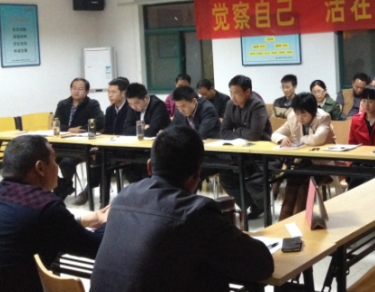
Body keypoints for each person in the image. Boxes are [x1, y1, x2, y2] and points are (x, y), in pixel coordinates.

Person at [89, 126, 273, 292]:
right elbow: (262, 264)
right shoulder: (195, 213)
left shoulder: (123, 197)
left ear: (150, 167)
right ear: (198, 172)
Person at [0, 135, 108, 292]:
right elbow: (96, 248)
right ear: (40, 168)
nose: (57, 166)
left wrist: (81, 220)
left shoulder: (8, 195)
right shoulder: (45, 205)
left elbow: (35, 226)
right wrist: (108, 222)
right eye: (54, 160)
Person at [271, 92, 335, 220]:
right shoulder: (292, 117)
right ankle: (283, 222)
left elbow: (317, 139)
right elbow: (275, 134)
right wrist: (282, 139)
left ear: (313, 111)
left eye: (304, 114)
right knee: (292, 183)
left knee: (305, 186)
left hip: (323, 164)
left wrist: (301, 139)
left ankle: (300, 222)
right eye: (297, 114)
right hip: (303, 163)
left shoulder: (323, 117)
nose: (300, 118)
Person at [219, 75, 272, 218]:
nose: (233, 96)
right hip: (240, 155)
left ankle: (262, 206)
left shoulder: (257, 105)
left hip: (262, 156)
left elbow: (254, 136)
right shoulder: (230, 105)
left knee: (253, 181)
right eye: (230, 92)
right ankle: (253, 204)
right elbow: (223, 131)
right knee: (226, 177)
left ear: (247, 92)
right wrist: (242, 132)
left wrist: (237, 131)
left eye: (236, 93)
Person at [75, 77, 130, 206]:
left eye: (113, 92)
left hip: (126, 148)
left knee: (103, 161)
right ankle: (100, 200)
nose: (110, 95)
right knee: (99, 156)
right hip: (111, 147)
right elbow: (107, 131)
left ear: (123, 93)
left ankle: (90, 191)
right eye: (109, 91)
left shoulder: (131, 108)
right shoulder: (110, 110)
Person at [53, 77, 104, 201]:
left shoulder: (92, 104)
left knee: (66, 162)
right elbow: (56, 123)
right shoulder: (63, 104)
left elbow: (100, 121)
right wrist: (69, 129)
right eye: (74, 88)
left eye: (80, 89)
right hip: (62, 144)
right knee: (41, 160)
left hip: (80, 146)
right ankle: (63, 185)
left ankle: (65, 186)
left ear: (87, 91)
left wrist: (81, 128)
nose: (76, 91)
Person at [123, 82, 171, 182]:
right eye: (130, 104)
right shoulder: (132, 107)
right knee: (128, 165)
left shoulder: (158, 105)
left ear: (145, 97)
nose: (133, 107)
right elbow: (126, 129)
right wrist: (143, 127)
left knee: (143, 166)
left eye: (136, 103)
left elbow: (151, 132)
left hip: (157, 149)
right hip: (138, 148)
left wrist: (139, 128)